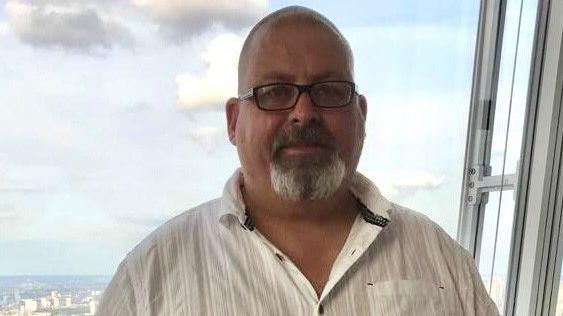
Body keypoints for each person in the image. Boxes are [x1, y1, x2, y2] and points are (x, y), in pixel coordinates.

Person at [98, 6, 499, 316]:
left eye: (329, 90)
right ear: (234, 122)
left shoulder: (442, 261)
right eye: (274, 92)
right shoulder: (148, 282)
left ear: (360, 115)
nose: (304, 113)